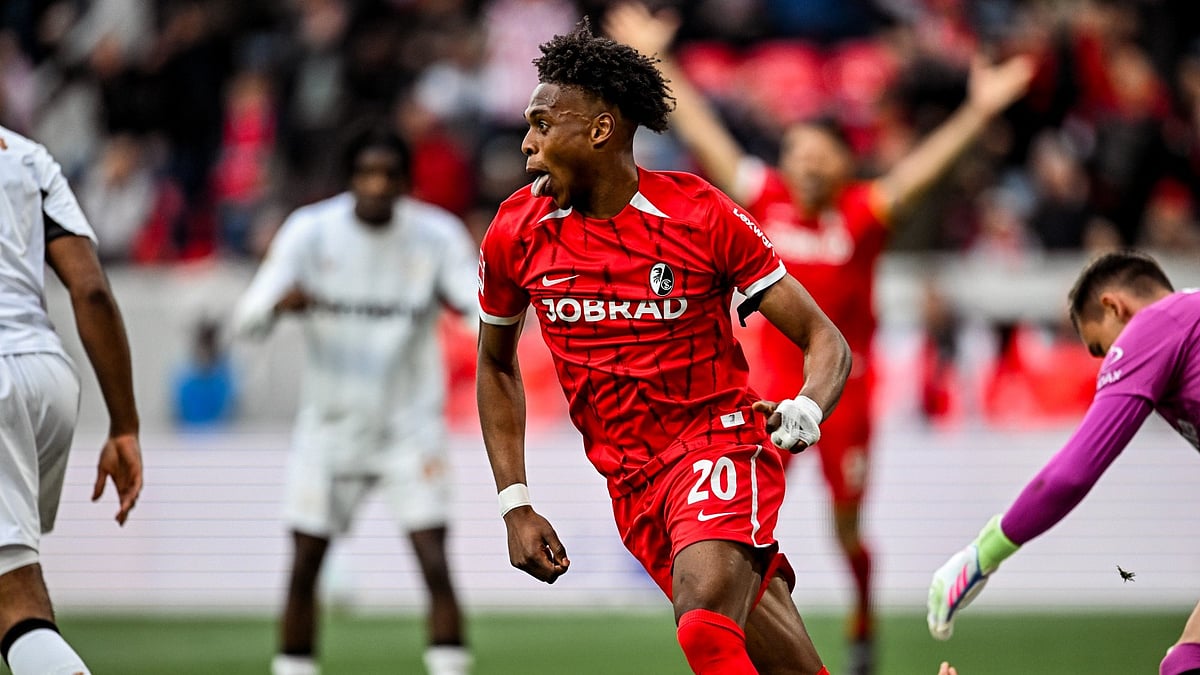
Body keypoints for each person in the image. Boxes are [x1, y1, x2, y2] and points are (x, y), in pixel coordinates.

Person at [605, 5, 1036, 671]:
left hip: (844, 398)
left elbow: (924, 170)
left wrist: (979, 111)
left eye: (819, 152)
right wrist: (657, 61)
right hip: (763, 398)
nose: (804, 162)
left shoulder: (865, 213)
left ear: (843, 163)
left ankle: (860, 622)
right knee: (742, 523)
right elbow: (706, 130)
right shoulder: (763, 197)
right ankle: (748, 628)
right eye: (797, 151)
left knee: (845, 530)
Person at [476, 21, 853, 675]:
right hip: (631, 482)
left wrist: (809, 407)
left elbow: (825, 338)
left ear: (599, 130)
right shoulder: (515, 232)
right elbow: (494, 361)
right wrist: (515, 502)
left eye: (542, 124)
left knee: (704, 623)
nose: (527, 142)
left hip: (719, 443)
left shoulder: (700, 215)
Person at [232, 128, 476, 675]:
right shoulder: (311, 231)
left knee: (435, 562)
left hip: (410, 426)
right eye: (367, 174)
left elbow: (477, 309)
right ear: (349, 179)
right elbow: (247, 317)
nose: (378, 185)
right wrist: (278, 307)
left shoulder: (436, 236)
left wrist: (475, 311)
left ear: (407, 182)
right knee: (303, 568)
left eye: (389, 175)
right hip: (329, 427)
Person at [927, 251, 1200, 675]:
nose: (1110, 361)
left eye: (1101, 347)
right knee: (1186, 659)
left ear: (1114, 306)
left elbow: (1071, 475)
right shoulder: (1190, 322)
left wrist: (983, 554)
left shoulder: (1154, 324)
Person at [0, 125, 143, 674]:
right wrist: (124, 425)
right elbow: (91, 290)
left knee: (14, 597)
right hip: (45, 374)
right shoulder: (29, 157)